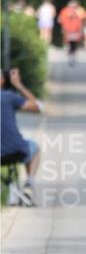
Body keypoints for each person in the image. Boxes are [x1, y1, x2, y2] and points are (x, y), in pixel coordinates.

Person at [1, 68, 43, 205]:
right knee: (35, 148)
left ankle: (11, 190)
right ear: (2, 81)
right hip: (16, 150)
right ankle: (29, 185)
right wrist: (18, 85)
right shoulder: (9, 97)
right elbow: (36, 107)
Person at [57, 0, 85, 65]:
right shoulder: (64, 11)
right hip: (68, 30)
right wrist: (63, 25)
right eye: (72, 5)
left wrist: (81, 30)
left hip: (75, 31)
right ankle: (70, 57)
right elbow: (60, 19)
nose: (73, 7)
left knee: (74, 45)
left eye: (74, 5)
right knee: (69, 44)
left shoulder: (79, 11)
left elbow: (81, 21)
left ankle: (73, 57)